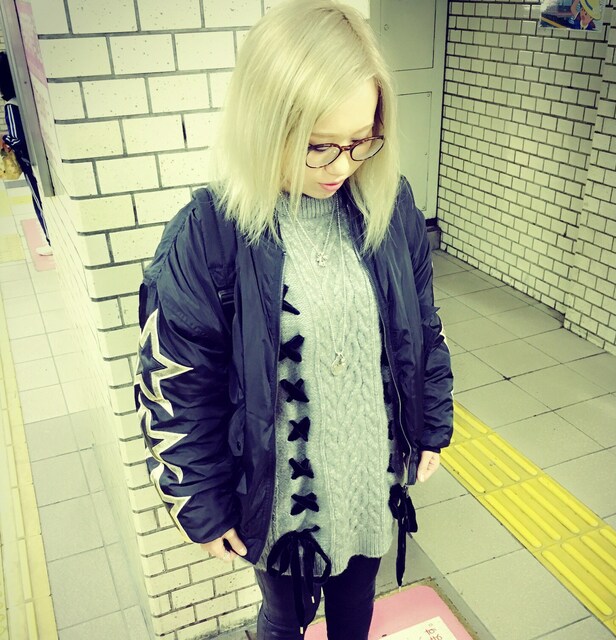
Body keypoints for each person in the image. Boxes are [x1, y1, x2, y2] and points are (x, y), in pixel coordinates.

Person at [135, 1, 453, 638]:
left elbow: (421, 327)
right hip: (282, 497)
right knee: (285, 618)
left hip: (368, 473)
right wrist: (200, 500)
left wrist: (430, 426)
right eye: (319, 146)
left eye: (361, 140)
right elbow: (178, 384)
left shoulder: (389, 205)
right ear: (264, 124)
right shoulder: (210, 236)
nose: (343, 166)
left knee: (357, 602)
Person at [0, 51, 52, 256]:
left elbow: (18, 139)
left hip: (29, 161)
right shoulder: (29, 96)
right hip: (42, 156)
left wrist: (5, 141)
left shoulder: (11, 105)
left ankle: (51, 241)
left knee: (37, 201)